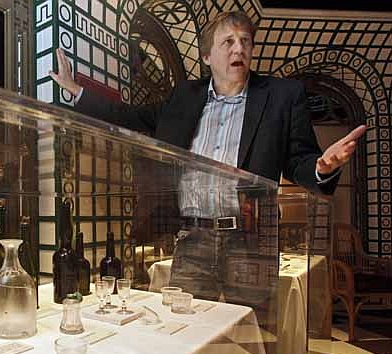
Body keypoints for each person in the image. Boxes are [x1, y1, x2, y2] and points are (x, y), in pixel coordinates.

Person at [49, 10, 367, 306]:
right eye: (228, 42)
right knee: (188, 331)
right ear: (207, 56)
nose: (238, 49)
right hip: (192, 239)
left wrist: (321, 167)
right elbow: (130, 116)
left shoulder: (282, 96)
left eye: (245, 41)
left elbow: (300, 160)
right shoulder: (183, 97)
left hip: (251, 240)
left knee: (249, 334)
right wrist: (76, 91)